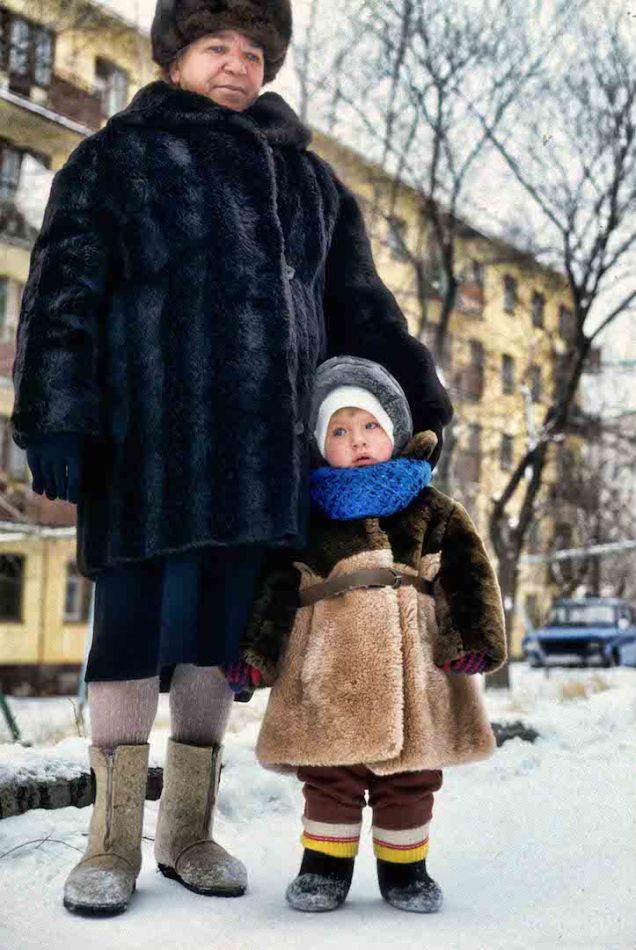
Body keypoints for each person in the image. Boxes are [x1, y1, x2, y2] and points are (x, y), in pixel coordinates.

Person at [11, 0, 452, 917]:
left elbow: (363, 308)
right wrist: (56, 415)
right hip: (145, 451)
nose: (238, 65)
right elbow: (62, 291)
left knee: (218, 640)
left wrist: (420, 403)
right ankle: (111, 843)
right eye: (218, 45)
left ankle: (187, 832)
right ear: (175, 55)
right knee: (128, 637)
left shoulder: (309, 180)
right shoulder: (115, 158)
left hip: (261, 462)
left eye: (255, 51)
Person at [242, 356, 506, 914]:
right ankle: (324, 869)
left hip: (417, 671)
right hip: (327, 669)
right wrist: (255, 654)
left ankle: (406, 871)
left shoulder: (434, 510)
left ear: (395, 430)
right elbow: (274, 592)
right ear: (321, 444)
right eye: (339, 430)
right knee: (329, 773)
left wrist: (473, 637)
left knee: (411, 777)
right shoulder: (309, 517)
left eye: (369, 426)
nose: (356, 440)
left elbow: (469, 576)